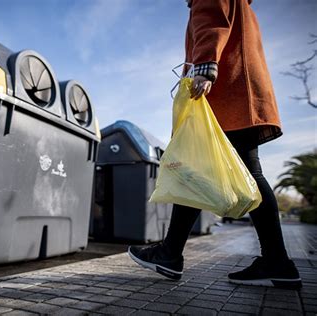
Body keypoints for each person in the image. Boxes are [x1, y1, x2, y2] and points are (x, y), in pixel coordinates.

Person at [128, 0, 302, 289]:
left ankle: (276, 262)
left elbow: (211, 20)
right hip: (240, 89)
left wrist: (205, 66)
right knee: (201, 171)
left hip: (228, 92)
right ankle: (172, 253)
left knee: (232, 173)